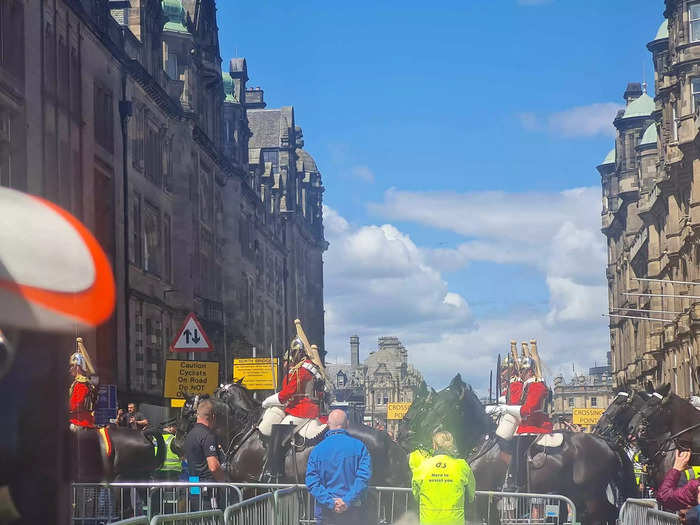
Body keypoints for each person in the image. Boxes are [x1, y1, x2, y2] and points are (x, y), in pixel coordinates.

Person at [488, 356, 552, 491]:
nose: (520, 374)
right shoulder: (527, 385)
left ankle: (519, 483)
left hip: (535, 426)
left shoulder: (537, 385)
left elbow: (528, 409)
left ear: (529, 371)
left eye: (523, 371)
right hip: (526, 425)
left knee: (519, 454)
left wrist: (504, 408)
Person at [306, 409, 371, 525]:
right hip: (353, 511)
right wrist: (346, 501)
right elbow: (363, 478)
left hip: (326, 512)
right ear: (347, 424)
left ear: (328, 424)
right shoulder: (360, 447)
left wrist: (331, 502)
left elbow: (312, 482)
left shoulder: (316, 450)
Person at [259, 334, 327, 440]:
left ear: (299, 353)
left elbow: (285, 395)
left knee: (278, 435)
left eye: (294, 352)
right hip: (307, 409)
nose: (292, 356)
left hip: (302, 411)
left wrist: (266, 402)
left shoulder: (301, 370)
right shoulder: (309, 367)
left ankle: (274, 457)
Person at [410, 430, 476, 525]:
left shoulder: (423, 466)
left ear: (435, 446)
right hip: (454, 521)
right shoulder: (462, 466)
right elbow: (471, 495)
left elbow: (416, 495)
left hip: (429, 520)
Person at [68, 345, 98, 431]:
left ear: (77, 367)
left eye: (71, 366)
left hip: (79, 422)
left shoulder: (81, 384)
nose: (70, 369)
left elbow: (75, 405)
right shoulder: (81, 382)